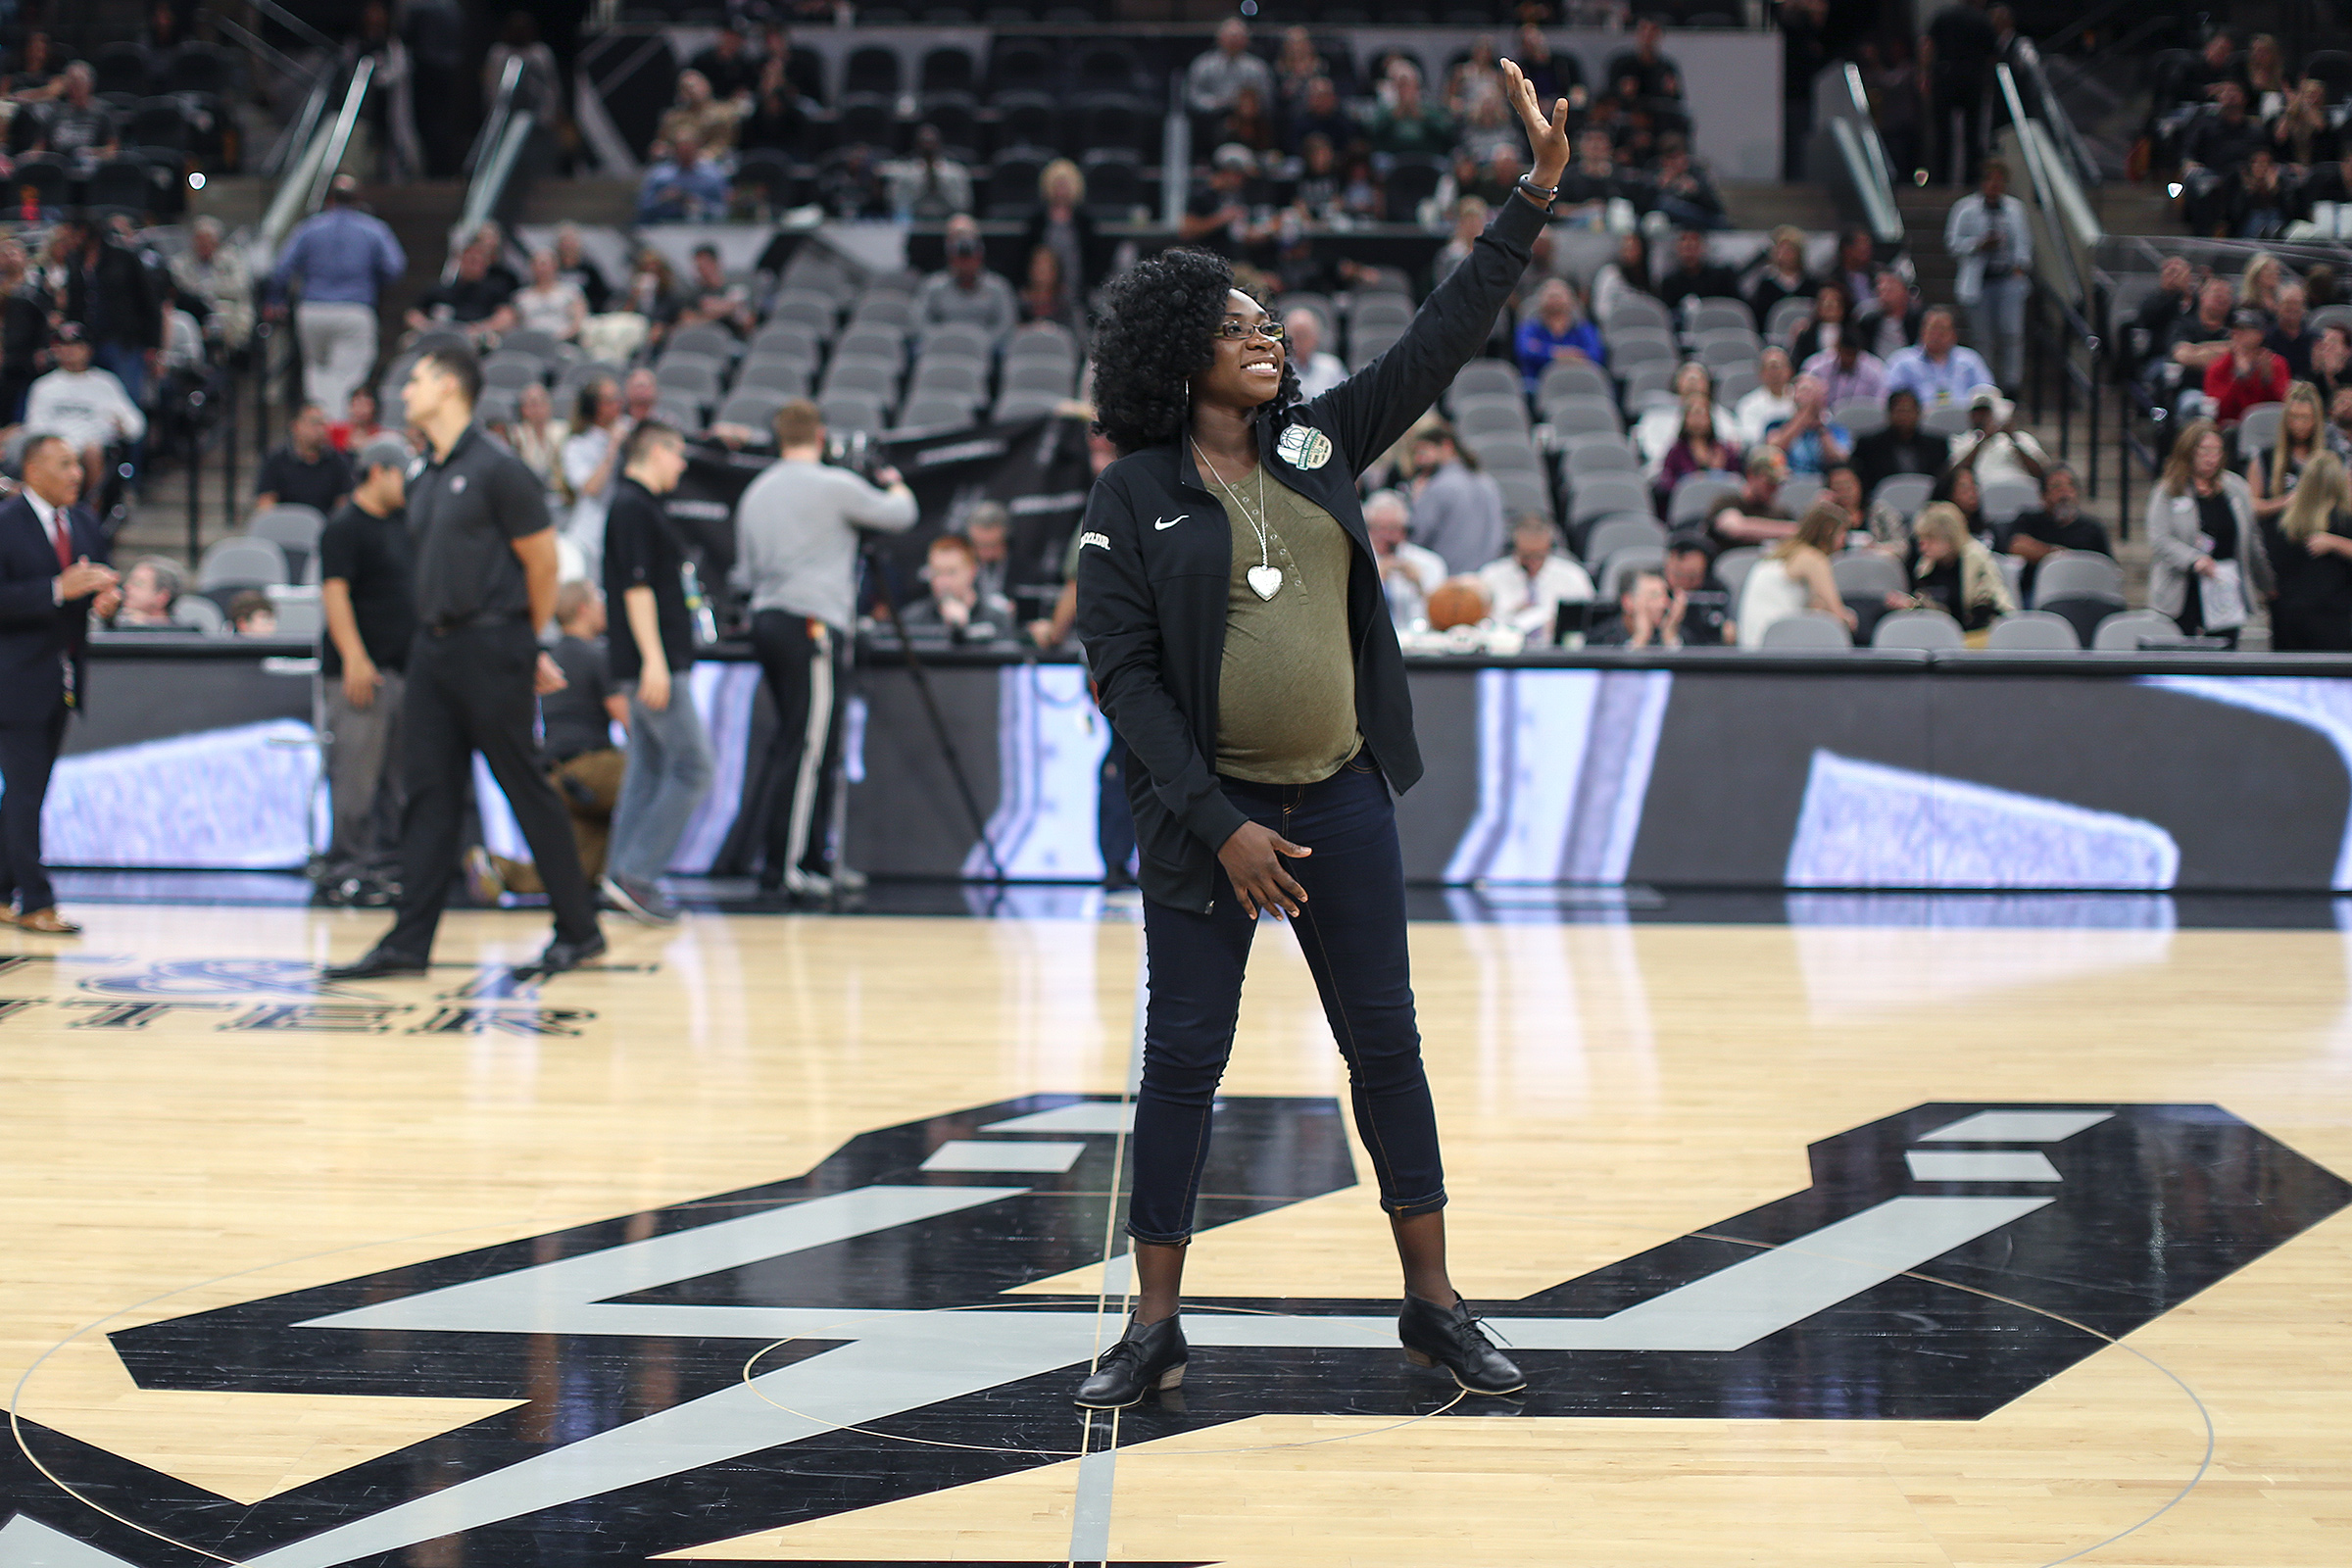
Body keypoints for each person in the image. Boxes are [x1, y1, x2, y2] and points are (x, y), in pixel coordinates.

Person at [1064, 57, 1568, 1413]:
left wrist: (1530, 195)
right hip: (1207, 822)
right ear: (1179, 356)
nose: (1267, 334)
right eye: (1237, 326)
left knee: (1386, 1049)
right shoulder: (1130, 493)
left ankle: (1435, 1303)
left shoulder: (1317, 445)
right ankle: (1155, 1324)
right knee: (1184, 1064)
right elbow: (1124, 684)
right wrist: (1222, 826)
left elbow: (1440, 337)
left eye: (1268, 322)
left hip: (1341, 800)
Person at [323, 345, 605, 981]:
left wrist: (524, 641)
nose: (406, 391)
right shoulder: (424, 475)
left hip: (491, 643)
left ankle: (579, 930)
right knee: (427, 795)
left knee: (523, 784)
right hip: (431, 649)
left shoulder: (499, 469)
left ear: (450, 387)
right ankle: (408, 943)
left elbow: (543, 564)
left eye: (417, 379)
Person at [735, 399, 917, 897]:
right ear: (819, 437)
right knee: (810, 747)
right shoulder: (832, 485)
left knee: (799, 739)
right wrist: (893, 481)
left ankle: (813, 860)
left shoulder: (756, 492)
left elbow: (744, 572)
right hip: (811, 622)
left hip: (767, 618)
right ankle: (785, 868)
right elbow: (901, 515)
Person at [0, 434, 116, 932]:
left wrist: (104, 599)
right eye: (64, 464)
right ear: (32, 469)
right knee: (26, 793)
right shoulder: (5, 523)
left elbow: (89, 588)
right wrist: (53, 589)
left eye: (77, 464)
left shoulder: (84, 522)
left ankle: (2, 891)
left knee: (27, 792)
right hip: (13, 681)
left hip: (63, 678)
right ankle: (36, 901)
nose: (77, 473)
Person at [598, 420, 710, 927]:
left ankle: (619, 876)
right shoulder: (634, 507)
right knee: (694, 767)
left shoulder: (636, 505)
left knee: (646, 770)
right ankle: (637, 876)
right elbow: (637, 589)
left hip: (642, 660)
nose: (682, 465)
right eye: (677, 453)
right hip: (652, 662)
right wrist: (655, 660)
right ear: (656, 450)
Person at [315, 437, 415, 906]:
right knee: (356, 777)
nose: (407, 486)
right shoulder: (344, 527)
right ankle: (345, 869)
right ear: (379, 472)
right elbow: (335, 594)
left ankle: (387, 867)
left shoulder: (403, 524)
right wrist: (354, 656)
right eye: (402, 475)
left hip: (402, 669)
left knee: (397, 780)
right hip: (360, 674)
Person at [271, 175, 406, 420]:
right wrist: (372, 279)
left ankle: (320, 424)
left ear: (329, 200)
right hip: (353, 309)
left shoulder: (309, 227)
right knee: (348, 376)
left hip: (312, 310)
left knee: (316, 372)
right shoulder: (373, 229)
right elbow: (395, 267)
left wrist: (277, 299)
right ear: (358, 200)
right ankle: (338, 429)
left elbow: (282, 268)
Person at [2145, 418, 2268, 649]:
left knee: (2224, 655)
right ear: (2189, 451)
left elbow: (2251, 539)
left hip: (2223, 590)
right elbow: (2159, 540)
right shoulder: (2168, 490)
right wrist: (2194, 560)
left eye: (2217, 451)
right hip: (2182, 593)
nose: (2211, 458)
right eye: (2205, 451)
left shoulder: (2236, 488)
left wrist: (2266, 582)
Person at [538, 581, 628, 882]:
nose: (604, 609)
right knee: (666, 778)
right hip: (594, 769)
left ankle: (500, 869)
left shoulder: (550, 659)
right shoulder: (596, 656)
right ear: (583, 609)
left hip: (556, 774)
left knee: (579, 871)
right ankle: (636, 877)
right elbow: (627, 720)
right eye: (598, 602)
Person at [24, 322, 142, 502]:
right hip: (56, 449)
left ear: (88, 350)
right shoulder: (44, 386)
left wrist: (123, 426)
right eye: (63, 346)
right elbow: (34, 427)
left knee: (92, 452)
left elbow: (136, 425)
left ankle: (91, 510)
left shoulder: (105, 383)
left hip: (94, 448)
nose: (69, 351)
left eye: (75, 346)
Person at [1946, 157, 2032, 390]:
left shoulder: (2015, 209)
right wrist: (1977, 245)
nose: (1995, 185)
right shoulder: (1965, 209)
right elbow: (1953, 243)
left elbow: (2024, 243)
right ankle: (1985, 385)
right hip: (1979, 282)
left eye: (1999, 181)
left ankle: (2011, 384)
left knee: (2011, 334)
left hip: (2007, 280)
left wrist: (2020, 266)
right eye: (1990, 180)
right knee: (1982, 338)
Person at [2261, 449, 2352, 650]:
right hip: (2333, 615)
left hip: (2289, 614)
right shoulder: (2344, 518)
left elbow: (2270, 561)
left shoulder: (2284, 521)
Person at [1736, 500, 1852, 646]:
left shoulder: (1783, 552)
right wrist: (1850, 618)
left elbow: (1815, 605)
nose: (1845, 541)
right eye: (1842, 533)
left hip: (1752, 643)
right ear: (1829, 530)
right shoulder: (1813, 559)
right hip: (1775, 642)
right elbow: (1838, 613)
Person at [1891, 500, 2014, 630]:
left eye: (1930, 539)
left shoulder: (1976, 559)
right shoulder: (1925, 566)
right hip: (1945, 632)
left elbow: (1988, 608)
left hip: (1983, 630)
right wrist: (1912, 605)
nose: (1923, 547)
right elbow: (1934, 610)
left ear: (1949, 539)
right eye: (1921, 540)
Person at [1406, 418, 1506, 575]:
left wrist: (1416, 501)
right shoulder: (1488, 482)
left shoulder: (1438, 487)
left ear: (1446, 446)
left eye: (1423, 451)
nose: (1418, 460)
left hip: (1447, 579)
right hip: (1484, 578)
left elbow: (1418, 537)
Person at [1476, 514, 1594, 640]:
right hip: (1504, 648)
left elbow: (1588, 624)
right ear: (1514, 549)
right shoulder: (1489, 577)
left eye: (1539, 556)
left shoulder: (1573, 576)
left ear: (1549, 549)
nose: (1532, 563)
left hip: (1558, 649)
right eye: (1526, 556)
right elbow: (1478, 626)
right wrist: (1509, 618)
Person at [2006, 464, 2113, 601]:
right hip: (2038, 592)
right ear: (2043, 495)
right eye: (2056, 487)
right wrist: (2058, 555)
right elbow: (2017, 546)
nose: (2065, 493)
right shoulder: (2029, 520)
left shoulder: (2092, 528)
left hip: (2083, 593)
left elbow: (2107, 566)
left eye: (2070, 486)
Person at [1920, 0, 1997, 186]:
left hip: (1944, 76)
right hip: (1973, 79)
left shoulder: (1943, 16)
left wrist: (1924, 73)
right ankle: (1971, 179)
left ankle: (1941, 180)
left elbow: (1927, 45)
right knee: (1973, 134)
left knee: (1942, 134)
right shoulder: (1983, 20)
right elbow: (1992, 55)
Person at [915, 216, 1019, 348]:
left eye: (969, 258)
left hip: (985, 349)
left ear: (979, 257)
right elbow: (919, 322)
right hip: (941, 348)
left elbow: (1006, 325)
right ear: (951, 259)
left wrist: (981, 343)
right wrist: (941, 341)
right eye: (960, 259)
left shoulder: (998, 287)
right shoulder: (933, 286)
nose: (965, 265)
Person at [899, 532, 1017, 642]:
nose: (943, 581)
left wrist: (963, 628)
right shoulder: (912, 619)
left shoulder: (996, 618)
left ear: (972, 571)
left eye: (951, 572)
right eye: (936, 572)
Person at [407, 239, 518, 344]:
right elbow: (413, 314)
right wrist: (427, 327)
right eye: (470, 260)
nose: (473, 265)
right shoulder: (441, 289)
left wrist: (483, 327)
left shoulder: (495, 289)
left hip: (477, 336)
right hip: (442, 334)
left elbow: (507, 316)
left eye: (477, 261)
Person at [1886, 306, 1994, 414]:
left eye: (1942, 330)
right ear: (1923, 331)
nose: (1937, 335)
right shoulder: (1902, 362)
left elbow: (1988, 393)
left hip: (1964, 419)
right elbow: (1890, 399)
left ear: (1954, 334)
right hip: (1920, 420)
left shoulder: (1970, 360)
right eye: (1933, 329)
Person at [254, 401, 353, 518]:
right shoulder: (276, 461)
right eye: (315, 423)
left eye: (324, 424)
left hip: (326, 524)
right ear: (296, 426)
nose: (321, 430)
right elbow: (266, 502)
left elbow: (344, 503)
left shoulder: (337, 461)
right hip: (287, 524)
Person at [170, 217, 253, 353]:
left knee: (227, 317)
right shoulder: (181, 262)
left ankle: (227, 352)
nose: (204, 245)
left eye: (209, 240)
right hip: (195, 309)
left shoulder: (232, 259)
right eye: (200, 240)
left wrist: (210, 288)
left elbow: (240, 286)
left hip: (227, 308)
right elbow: (180, 285)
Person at [2248, 379, 2327, 525]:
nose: (2299, 424)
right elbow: (2252, 505)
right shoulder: (2265, 456)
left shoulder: (2329, 458)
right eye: (2294, 417)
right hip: (2278, 527)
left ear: (2316, 419)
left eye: (2305, 417)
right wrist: (2284, 502)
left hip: (2318, 529)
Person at [1367, 489, 1447, 626]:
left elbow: (1443, 613)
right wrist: (1375, 581)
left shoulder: (1429, 563)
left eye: (1393, 528)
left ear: (1405, 530)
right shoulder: (1358, 564)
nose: (1385, 535)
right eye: (1378, 528)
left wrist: (1419, 583)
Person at [1021, 160, 1099, 299]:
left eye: (1065, 184)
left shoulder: (1084, 221)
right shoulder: (1037, 220)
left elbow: (1091, 256)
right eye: (1058, 184)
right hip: (1044, 284)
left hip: (1076, 280)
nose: (1061, 189)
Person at [2203, 307, 2290, 428]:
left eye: (2244, 330)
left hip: (2267, 426)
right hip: (2230, 428)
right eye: (2235, 330)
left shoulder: (2276, 363)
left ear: (2260, 335)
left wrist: (2267, 380)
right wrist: (2239, 378)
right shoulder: (2218, 366)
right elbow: (2218, 411)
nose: (2237, 334)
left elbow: (2283, 404)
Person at [1513, 278, 1605, 394]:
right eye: (1551, 296)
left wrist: (1544, 350)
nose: (1555, 300)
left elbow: (1595, 354)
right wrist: (1564, 354)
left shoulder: (1583, 328)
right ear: (1540, 301)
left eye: (1559, 296)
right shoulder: (1529, 328)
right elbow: (1525, 351)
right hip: (1538, 383)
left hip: (1578, 383)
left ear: (1571, 300)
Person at [1653, 392, 1740, 513]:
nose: (1698, 420)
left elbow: (1737, 479)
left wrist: (1717, 472)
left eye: (1702, 415)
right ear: (1685, 419)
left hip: (1719, 507)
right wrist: (1690, 479)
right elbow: (1666, 482)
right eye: (1694, 415)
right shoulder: (1676, 451)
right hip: (1688, 508)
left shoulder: (1722, 450)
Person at [1946, 385, 2045, 489]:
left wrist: (2012, 439)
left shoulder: (2022, 438)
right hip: (1981, 492)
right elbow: (1955, 474)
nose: (1981, 417)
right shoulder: (1961, 440)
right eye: (1977, 412)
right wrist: (1984, 440)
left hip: (2018, 491)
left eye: (1986, 412)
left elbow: (2040, 473)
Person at [1851, 388, 1944, 497]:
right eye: (1900, 411)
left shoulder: (1937, 445)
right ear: (1889, 413)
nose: (1905, 416)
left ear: (1918, 413)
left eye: (1909, 411)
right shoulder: (1868, 445)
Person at [1186, 17, 1274, 121]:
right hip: (1210, 118)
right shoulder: (1202, 64)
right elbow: (1192, 97)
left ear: (1247, 39)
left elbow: (1266, 99)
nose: (1233, 41)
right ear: (1219, 38)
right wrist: (1217, 103)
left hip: (1247, 120)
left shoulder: (1258, 68)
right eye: (1230, 36)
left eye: (1238, 36)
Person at [1764, 372, 1850, 476]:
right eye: (1804, 390)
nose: (1811, 397)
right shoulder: (1777, 424)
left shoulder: (1835, 428)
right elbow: (1774, 449)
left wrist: (1820, 428)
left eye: (1815, 392)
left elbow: (1840, 460)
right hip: (1788, 479)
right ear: (1793, 395)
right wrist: (1804, 416)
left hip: (1823, 480)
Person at [883, 123, 974, 221]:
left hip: (947, 219)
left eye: (931, 142)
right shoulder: (904, 173)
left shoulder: (956, 172)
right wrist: (923, 184)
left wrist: (939, 184)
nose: (928, 146)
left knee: (963, 221)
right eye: (924, 142)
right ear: (917, 145)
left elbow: (963, 205)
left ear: (939, 144)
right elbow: (897, 204)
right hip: (913, 219)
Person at [635, 133, 729, 224]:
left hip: (702, 228)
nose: (685, 153)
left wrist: (698, 203)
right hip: (661, 226)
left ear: (696, 149)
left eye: (688, 150)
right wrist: (661, 199)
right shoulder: (658, 175)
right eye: (681, 149)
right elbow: (642, 207)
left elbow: (723, 209)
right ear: (674, 150)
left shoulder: (712, 176)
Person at [1663, 531, 1734, 645]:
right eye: (1678, 576)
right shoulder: (1658, 590)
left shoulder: (1716, 591)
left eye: (1692, 577)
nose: (1685, 582)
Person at [1653, 227, 1740, 315]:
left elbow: (1737, 306)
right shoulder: (1670, 282)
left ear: (1703, 247)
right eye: (1685, 247)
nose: (1689, 251)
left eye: (1694, 246)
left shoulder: (1721, 277)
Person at [1590, 568, 1681, 647]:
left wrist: (1669, 636)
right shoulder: (1600, 638)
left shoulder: (1677, 632)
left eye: (1666, 595)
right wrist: (1640, 638)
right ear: (1627, 602)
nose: (1664, 604)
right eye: (1654, 596)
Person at [1745, 226, 1816, 326]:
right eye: (1781, 249)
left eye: (1790, 250)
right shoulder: (1766, 285)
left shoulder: (1811, 284)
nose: (1785, 254)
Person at [1804, 329, 1888, 411]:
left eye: (1852, 354)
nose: (1848, 359)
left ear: (1859, 352)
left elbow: (1879, 403)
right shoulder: (1819, 369)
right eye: (1845, 353)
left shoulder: (1873, 373)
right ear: (1838, 349)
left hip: (1859, 416)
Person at [513, 250, 587, 343]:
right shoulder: (521, 297)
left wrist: (560, 338)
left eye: (544, 264)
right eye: (536, 264)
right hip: (530, 342)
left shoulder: (571, 292)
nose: (541, 268)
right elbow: (515, 325)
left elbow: (578, 321)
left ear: (555, 266)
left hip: (562, 342)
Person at [1855, 270, 1926, 359]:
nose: (1883, 289)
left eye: (1890, 288)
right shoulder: (1868, 322)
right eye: (1881, 288)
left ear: (1905, 290)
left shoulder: (1918, 321)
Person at [1735, 347, 1797, 446]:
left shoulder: (1801, 398)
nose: (1776, 373)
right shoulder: (1748, 405)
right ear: (1761, 373)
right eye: (1772, 367)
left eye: (1781, 367)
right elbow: (1755, 442)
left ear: (1790, 371)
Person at [1591, 230, 1653, 324]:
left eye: (1633, 248)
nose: (1628, 253)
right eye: (1625, 248)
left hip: (1643, 325)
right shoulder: (1610, 274)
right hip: (1616, 326)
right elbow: (1601, 309)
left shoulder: (1651, 276)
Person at [1286, 308, 1347, 399]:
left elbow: (1346, 398)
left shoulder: (1332, 367)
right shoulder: (1282, 370)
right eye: (1296, 335)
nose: (1301, 341)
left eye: (1305, 335)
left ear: (1315, 337)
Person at [108, 556, 181, 628]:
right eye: (128, 581)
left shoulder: (180, 633)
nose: (126, 586)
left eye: (137, 583)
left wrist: (146, 623)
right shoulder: (115, 623)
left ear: (162, 597)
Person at [1789, 280, 1850, 367]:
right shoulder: (1807, 335)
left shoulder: (1853, 334)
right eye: (1824, 301)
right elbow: (1799, 362)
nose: (1829, 305)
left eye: (1834, 301)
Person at [2269, 282, 2317, 382]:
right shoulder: (2266, 339)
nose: (2293, 307)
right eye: (2288, 303)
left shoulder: (2315, 340)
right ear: (2277, 306)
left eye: (2297, 303)